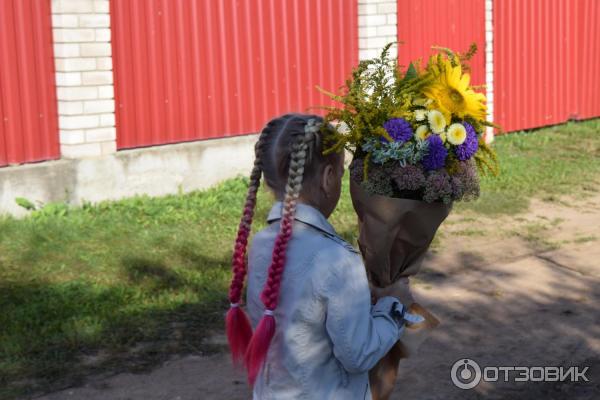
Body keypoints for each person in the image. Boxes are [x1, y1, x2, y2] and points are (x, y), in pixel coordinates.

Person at [225, 113, 410, 399]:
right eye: (341, 173)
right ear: (328, 178)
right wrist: (392, 310)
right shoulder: (336, 259)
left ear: (267, 183)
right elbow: (357, 354)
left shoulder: (260, 245)